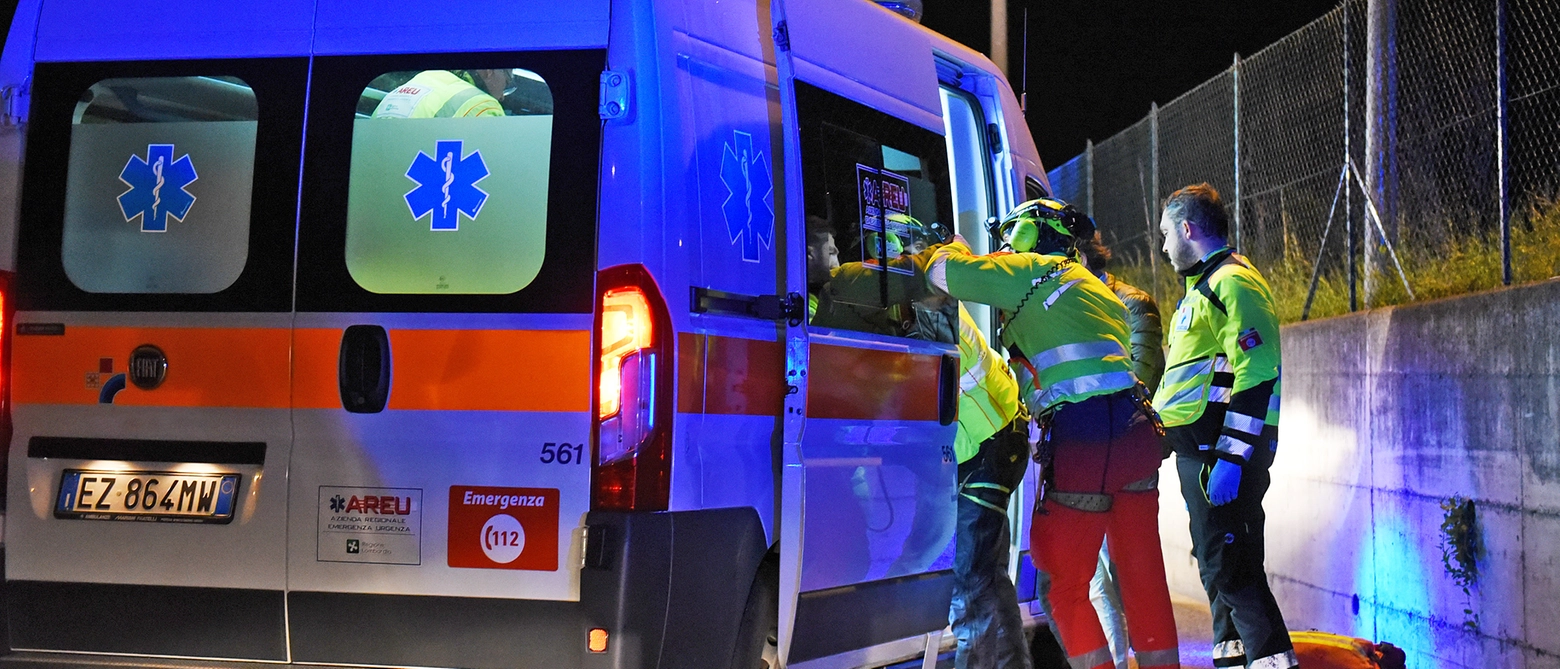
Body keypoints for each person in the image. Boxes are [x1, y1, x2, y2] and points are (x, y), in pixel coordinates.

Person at [927, 198, 1179, 669]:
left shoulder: (1029, 269)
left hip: (1086, 439)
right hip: (1138, 434)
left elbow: (941, 273)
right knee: (1143, 582)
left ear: (1030, 234)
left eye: (1010, 232)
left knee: (1061, 584)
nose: (1003, 242)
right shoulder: (1094, 286)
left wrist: (951, 248)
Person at [1155, 183, 1296, 669]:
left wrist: (1232, 458)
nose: (1164, 245)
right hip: (1204, 452)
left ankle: (1272, 660)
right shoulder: (1204, 287)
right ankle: (1233, 657)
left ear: (1188, 229)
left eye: (1167, 234)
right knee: (1219, 567)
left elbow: (1257, 370)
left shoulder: (1231, 283)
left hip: (1222, 454)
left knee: (1232, 570)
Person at [1074, 232, 1166, 669]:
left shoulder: (1133, 303)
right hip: (1082, 459)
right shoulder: (1067, 305)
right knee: (1094, 581)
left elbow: (1141, 376)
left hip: (1125, 457)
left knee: (1131, 580)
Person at [946, 300, 1033, 669]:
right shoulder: (940, 299)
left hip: (986, 449)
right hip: (996, 442)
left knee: (970, 591)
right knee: (989, 581)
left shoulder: (925, 304)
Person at [372, 69, 508, 119]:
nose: (502, 96)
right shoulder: (483, 105)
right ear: (489, 71)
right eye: (508, 81)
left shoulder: (423, 77)